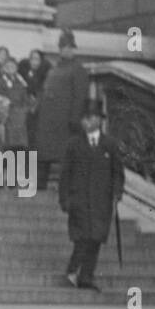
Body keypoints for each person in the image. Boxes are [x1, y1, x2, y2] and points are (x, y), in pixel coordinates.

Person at [59, 100, 123, 292]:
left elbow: (117, 172)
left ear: (99, 120)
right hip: (79, 200)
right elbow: (65, 175)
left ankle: (86, 276)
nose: (87, 122)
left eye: (91, 118)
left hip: (101, 201)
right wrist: (64, 199)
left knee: (95, 239)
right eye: (84, 119)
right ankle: (72, 270)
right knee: (82, 237)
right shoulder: (74, 144)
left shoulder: (109, 144)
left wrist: (117, 192)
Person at [36, 29, 88, 193]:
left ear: (73, 49)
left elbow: (80, 95)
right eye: (63, 47)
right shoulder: (53, 69)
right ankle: (40, 188)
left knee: (65, 156)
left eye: (69, 47)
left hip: (64, 121)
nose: (66, 50)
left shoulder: (78, 69)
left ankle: (66, 190)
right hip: (47, 121)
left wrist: (74, 117)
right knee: (44, 155)